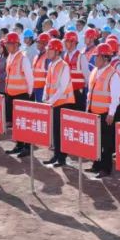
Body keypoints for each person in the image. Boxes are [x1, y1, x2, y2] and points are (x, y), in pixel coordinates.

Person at [87, 43, 120, 178]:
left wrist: (111, 113)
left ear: (106, 58)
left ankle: (106, 168)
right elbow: (90, 92)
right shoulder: (95, 71)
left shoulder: (113, 74)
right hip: (94, 111)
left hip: (105, 113)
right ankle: (96, 165)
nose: (95, 59)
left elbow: (115, 97)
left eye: (98, 57)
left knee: (106, 143)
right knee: (96, 141)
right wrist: (88, 109)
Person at [42, 38, 75, 167]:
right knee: (55, 130)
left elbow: (62, 87)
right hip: (54, 102)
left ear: (57, 51)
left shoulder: (64, 66)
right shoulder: (51, 65)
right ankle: (56, 155)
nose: (47, 52)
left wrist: (50, 101)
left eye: (50, 50)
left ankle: (62, 158)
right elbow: (47, 83)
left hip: (63, 102)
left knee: (61, 131)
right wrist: (45, 97)